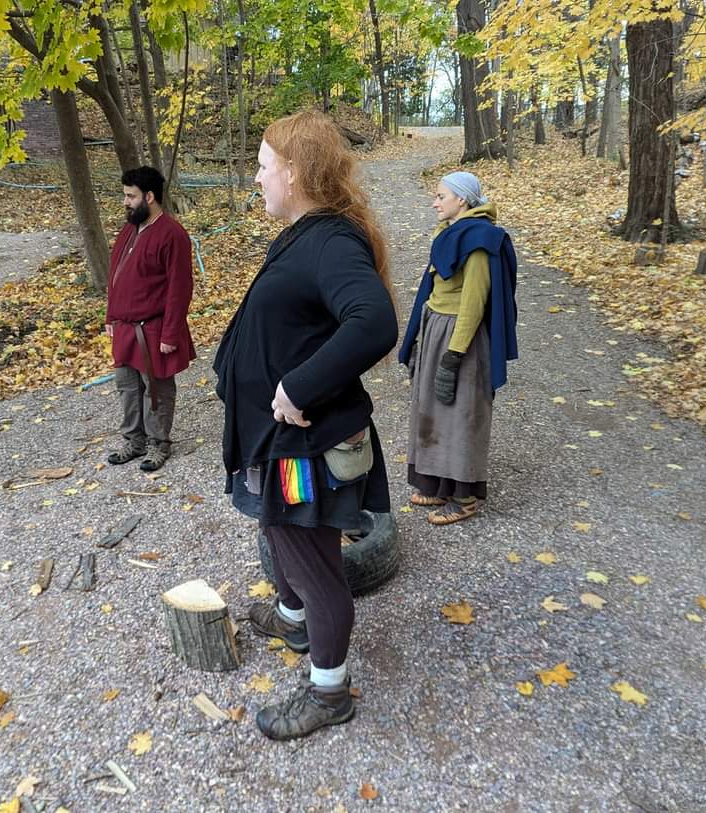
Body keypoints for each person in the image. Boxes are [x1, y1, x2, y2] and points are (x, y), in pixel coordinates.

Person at [213, 110, 397, 740]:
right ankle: (293, 619)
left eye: (264, 168)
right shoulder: (301, 234)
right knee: (278, 526)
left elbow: (373, 323)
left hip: (306, 448)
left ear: (293, 173)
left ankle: (329, 692)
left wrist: (296, 385)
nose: (257, 180)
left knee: (312, 561)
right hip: (281, 441)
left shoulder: (330, 241)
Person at [398, 171, 518, 524]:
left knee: (461, 414)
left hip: (458, 338)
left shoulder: (480, 240)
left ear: (462, 200)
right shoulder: (452, 232)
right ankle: (438, 485)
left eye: (441, 196)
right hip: (437, 328)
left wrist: (454, 354)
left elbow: (474, 302)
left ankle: (464, 497)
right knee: (432, 409)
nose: (435, 202)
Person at [105, 166, 194, 473]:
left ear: (150, 197)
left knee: (156, 388)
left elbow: (179, 289)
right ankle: (134, 440)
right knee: (127, 387)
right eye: (125, 195)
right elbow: (115, 277)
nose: (125, 202)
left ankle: (158, 443)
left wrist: (170, 334)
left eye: (130, 196)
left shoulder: (173, 235)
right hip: (125, 328)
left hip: (154, 329)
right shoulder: (129, 230)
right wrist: (111, 316)